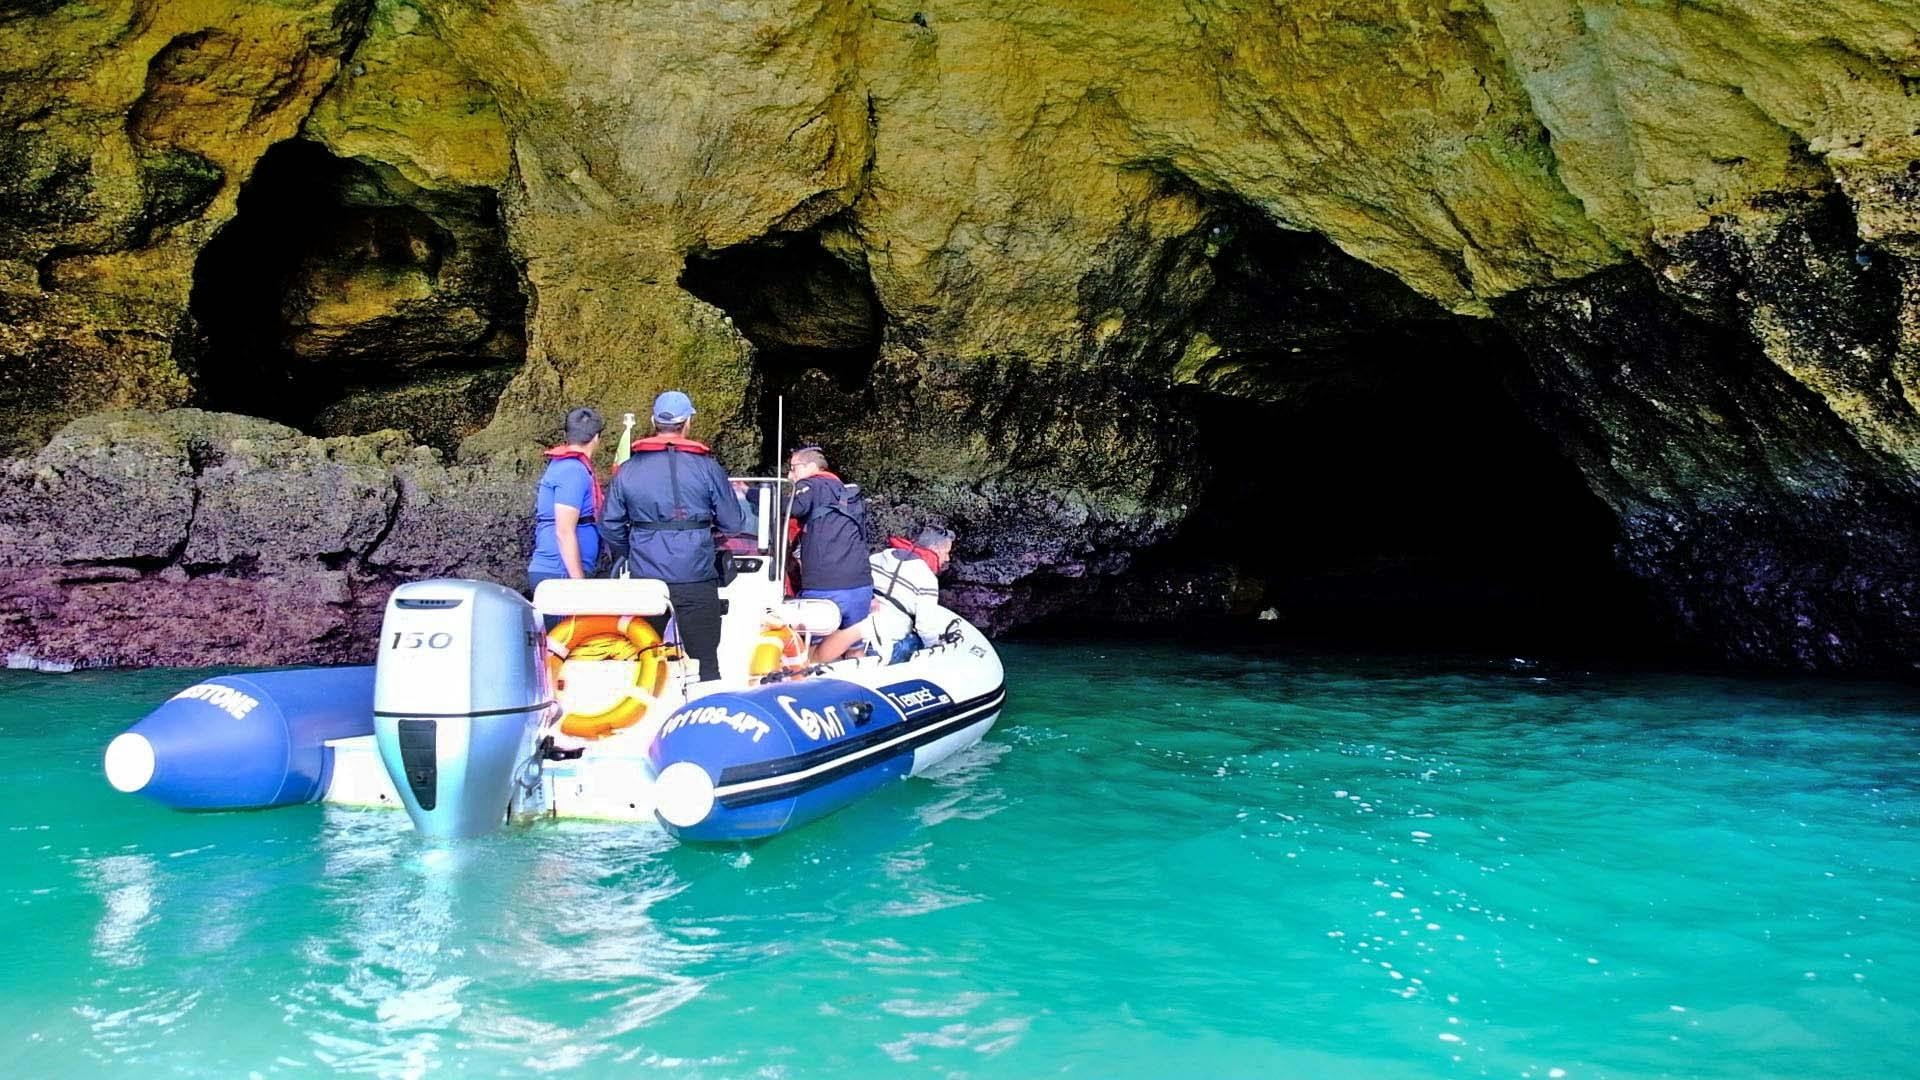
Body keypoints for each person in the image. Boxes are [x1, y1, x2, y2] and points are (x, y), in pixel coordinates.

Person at [601, 390, 745, 682]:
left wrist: (635, 551)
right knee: (705, 659)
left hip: (646, 577)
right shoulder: (707, 467)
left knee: (645, 656)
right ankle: (706, 717)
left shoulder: (627, 470)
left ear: (654, 421)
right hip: (696, 575)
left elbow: (610, 525)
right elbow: (732, 523)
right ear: (688, 422)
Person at [814, 526, 957, 663]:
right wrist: (936, 648)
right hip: (881, 646)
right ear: (934, 549)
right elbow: (926, 629)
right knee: (918, 642)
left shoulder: (877, 558)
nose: (948, 558)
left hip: (852, 628)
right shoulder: (926, 578)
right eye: (946, 553)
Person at [528, 407, 605, 626]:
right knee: (563, 648)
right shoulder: (573, 470)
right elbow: (564, 530)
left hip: (558, 574)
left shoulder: (564, 465)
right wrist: (578, 585)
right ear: (596, 438)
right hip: (560, 574)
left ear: (567, 435)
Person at [785, 446, 875, 631]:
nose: (789, 475)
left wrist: (752, 493)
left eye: (793, 468)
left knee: (815, 650)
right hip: (860, 585)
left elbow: (792, 507)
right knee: (852, 645)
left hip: (824, 588)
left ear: (810, 466)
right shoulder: (845, 493)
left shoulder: (811, 485)